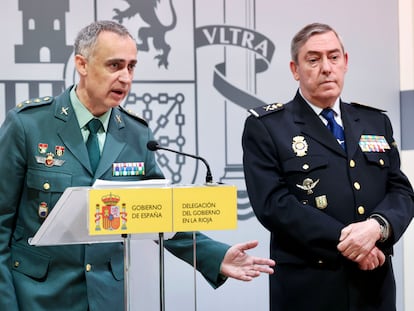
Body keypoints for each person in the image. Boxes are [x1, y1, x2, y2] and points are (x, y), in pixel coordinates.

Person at [0, 20, 275, 311]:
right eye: (114, 65)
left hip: (108, 298)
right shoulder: (28, 125)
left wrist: (214, 256)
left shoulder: (136, 134)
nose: (125, 78)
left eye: (131, 67)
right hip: (37, 297)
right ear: (82, 64)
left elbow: (160, 214)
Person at [242, 22, 414, 311]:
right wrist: (353, 243)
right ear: (295, 69)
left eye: (334, 57)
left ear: (345, 63)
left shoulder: (374, 122)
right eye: (313, 59)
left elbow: (400, 191)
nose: (326, 67)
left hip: (374, 284)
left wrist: (377, 228)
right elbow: (274, 204)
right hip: (310, 286)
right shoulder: (268, 127)